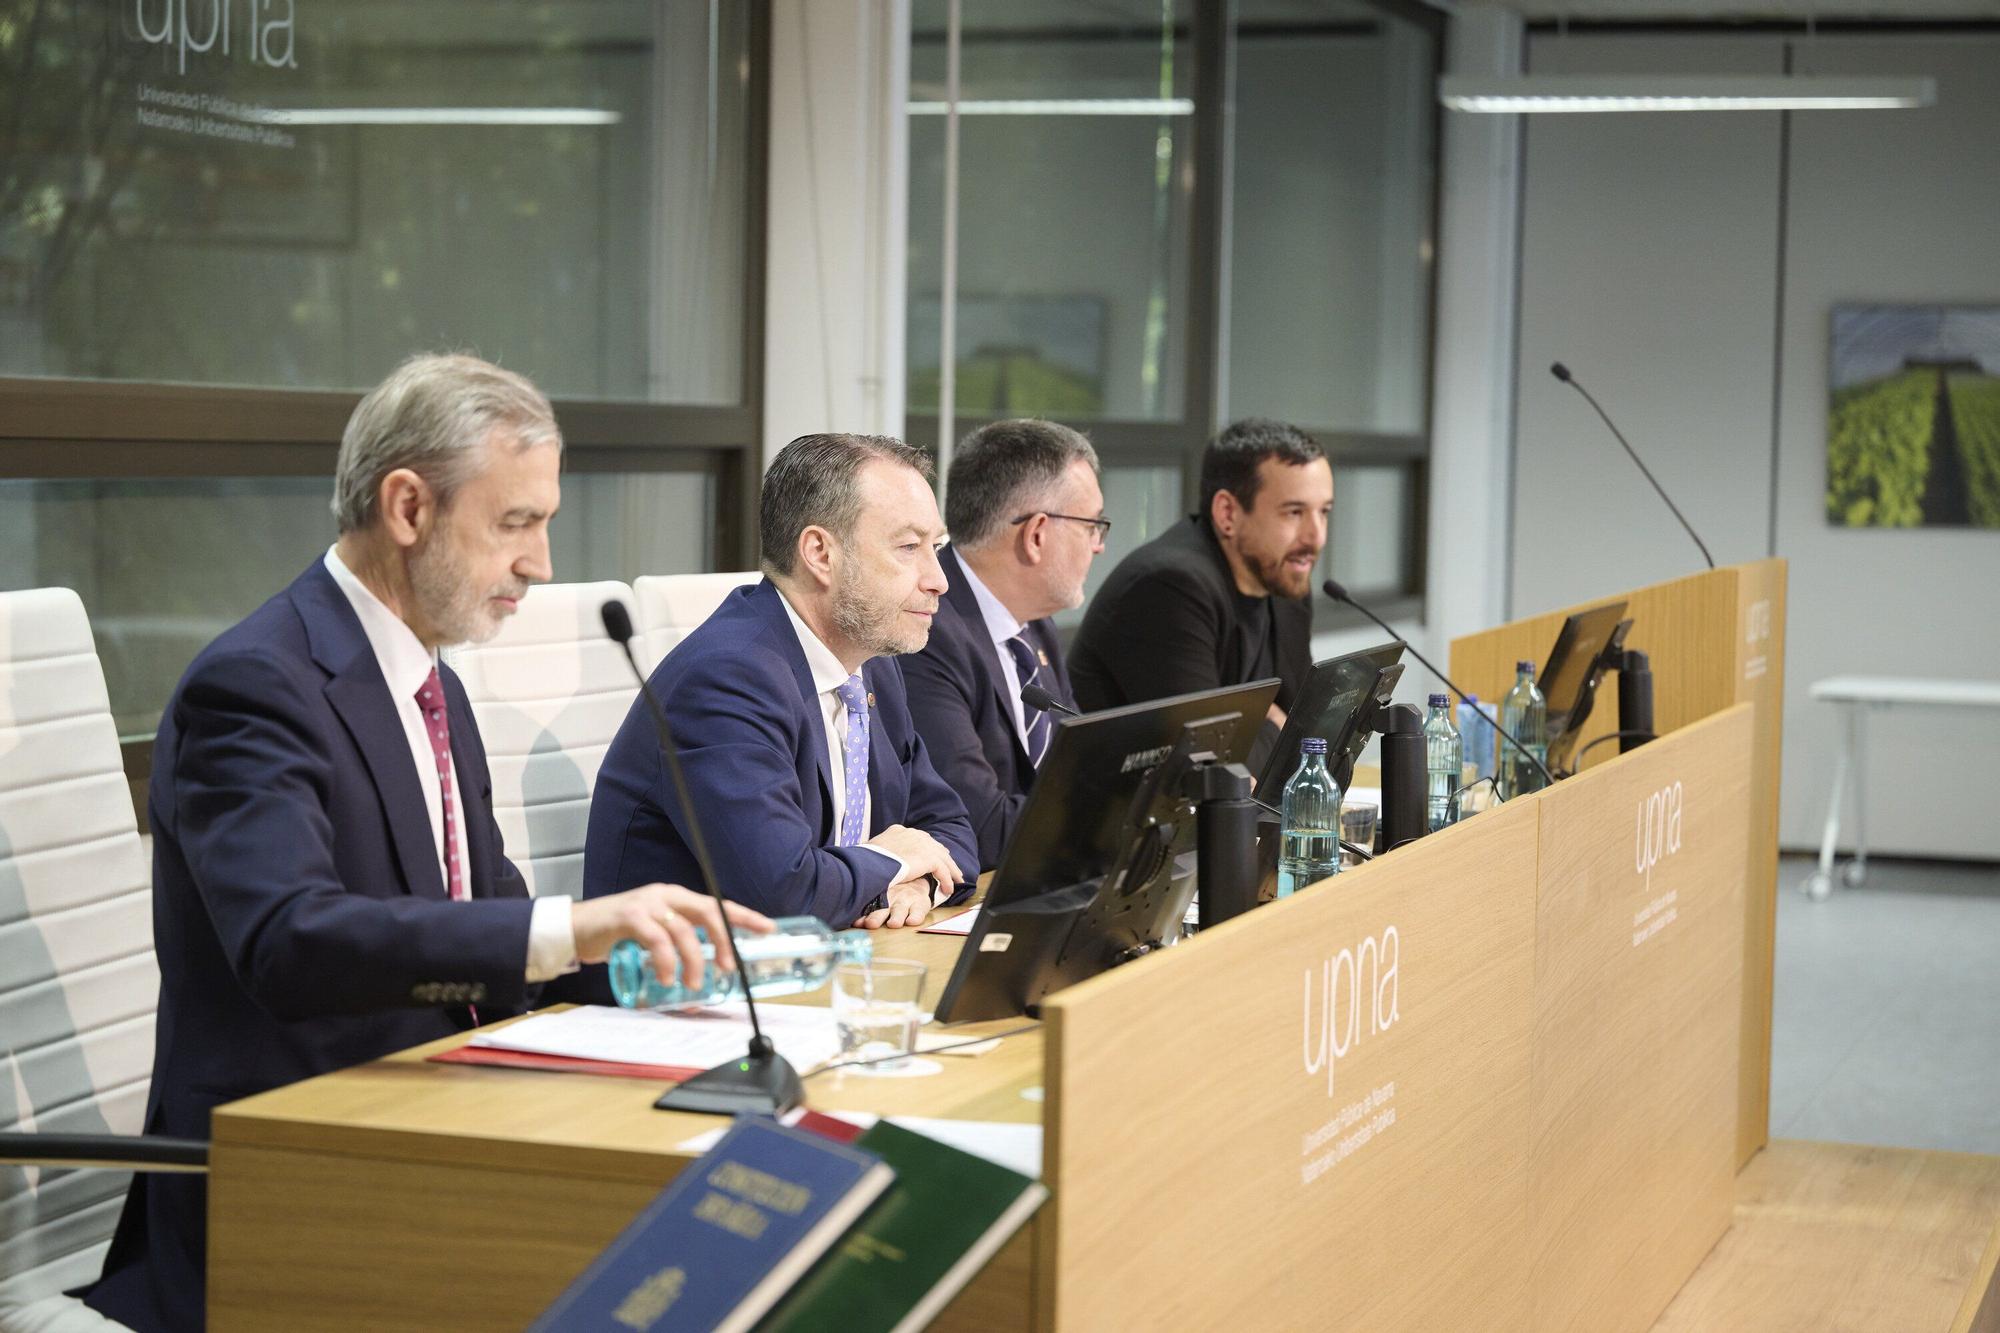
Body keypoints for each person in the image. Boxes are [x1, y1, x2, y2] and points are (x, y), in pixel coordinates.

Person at [85, 354, 767, 1332]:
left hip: (441, 1124)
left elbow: (483, 924)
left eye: (545, 523)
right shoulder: (255, 685)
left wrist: (678, 970)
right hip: (289, 1174)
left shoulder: (430, 682)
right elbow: (289, 940)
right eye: (514, 523)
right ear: (408, 508)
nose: (540, 562)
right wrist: (570, 927)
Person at [582, 433, 978, 942]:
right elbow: (780, 894)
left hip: (822, 967)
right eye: (908, 547)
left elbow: (953, 830)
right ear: (819, 553)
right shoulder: (726, 679)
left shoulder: (871, 664)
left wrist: (918, 884)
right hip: (675, 996)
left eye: (937, 548)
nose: (938, 579)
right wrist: (891, 861)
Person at [902, 419, 1103, 871]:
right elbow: (979, 829)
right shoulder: (927, 632)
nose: (1098, 546)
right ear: (1036, 534)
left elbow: (1080, 774)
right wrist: (1115, 822)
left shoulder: (1036, 626)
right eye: (1092, 526)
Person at [1067, 418, 1333, 739]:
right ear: (1227, 514)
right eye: (1294, 512)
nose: (1316, 537)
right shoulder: (1168, 587)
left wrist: (1270, 725)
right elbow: (1206, 761)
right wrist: (1274, 724)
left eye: (1324, 512)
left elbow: (1313, 740)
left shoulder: (1283, 575)